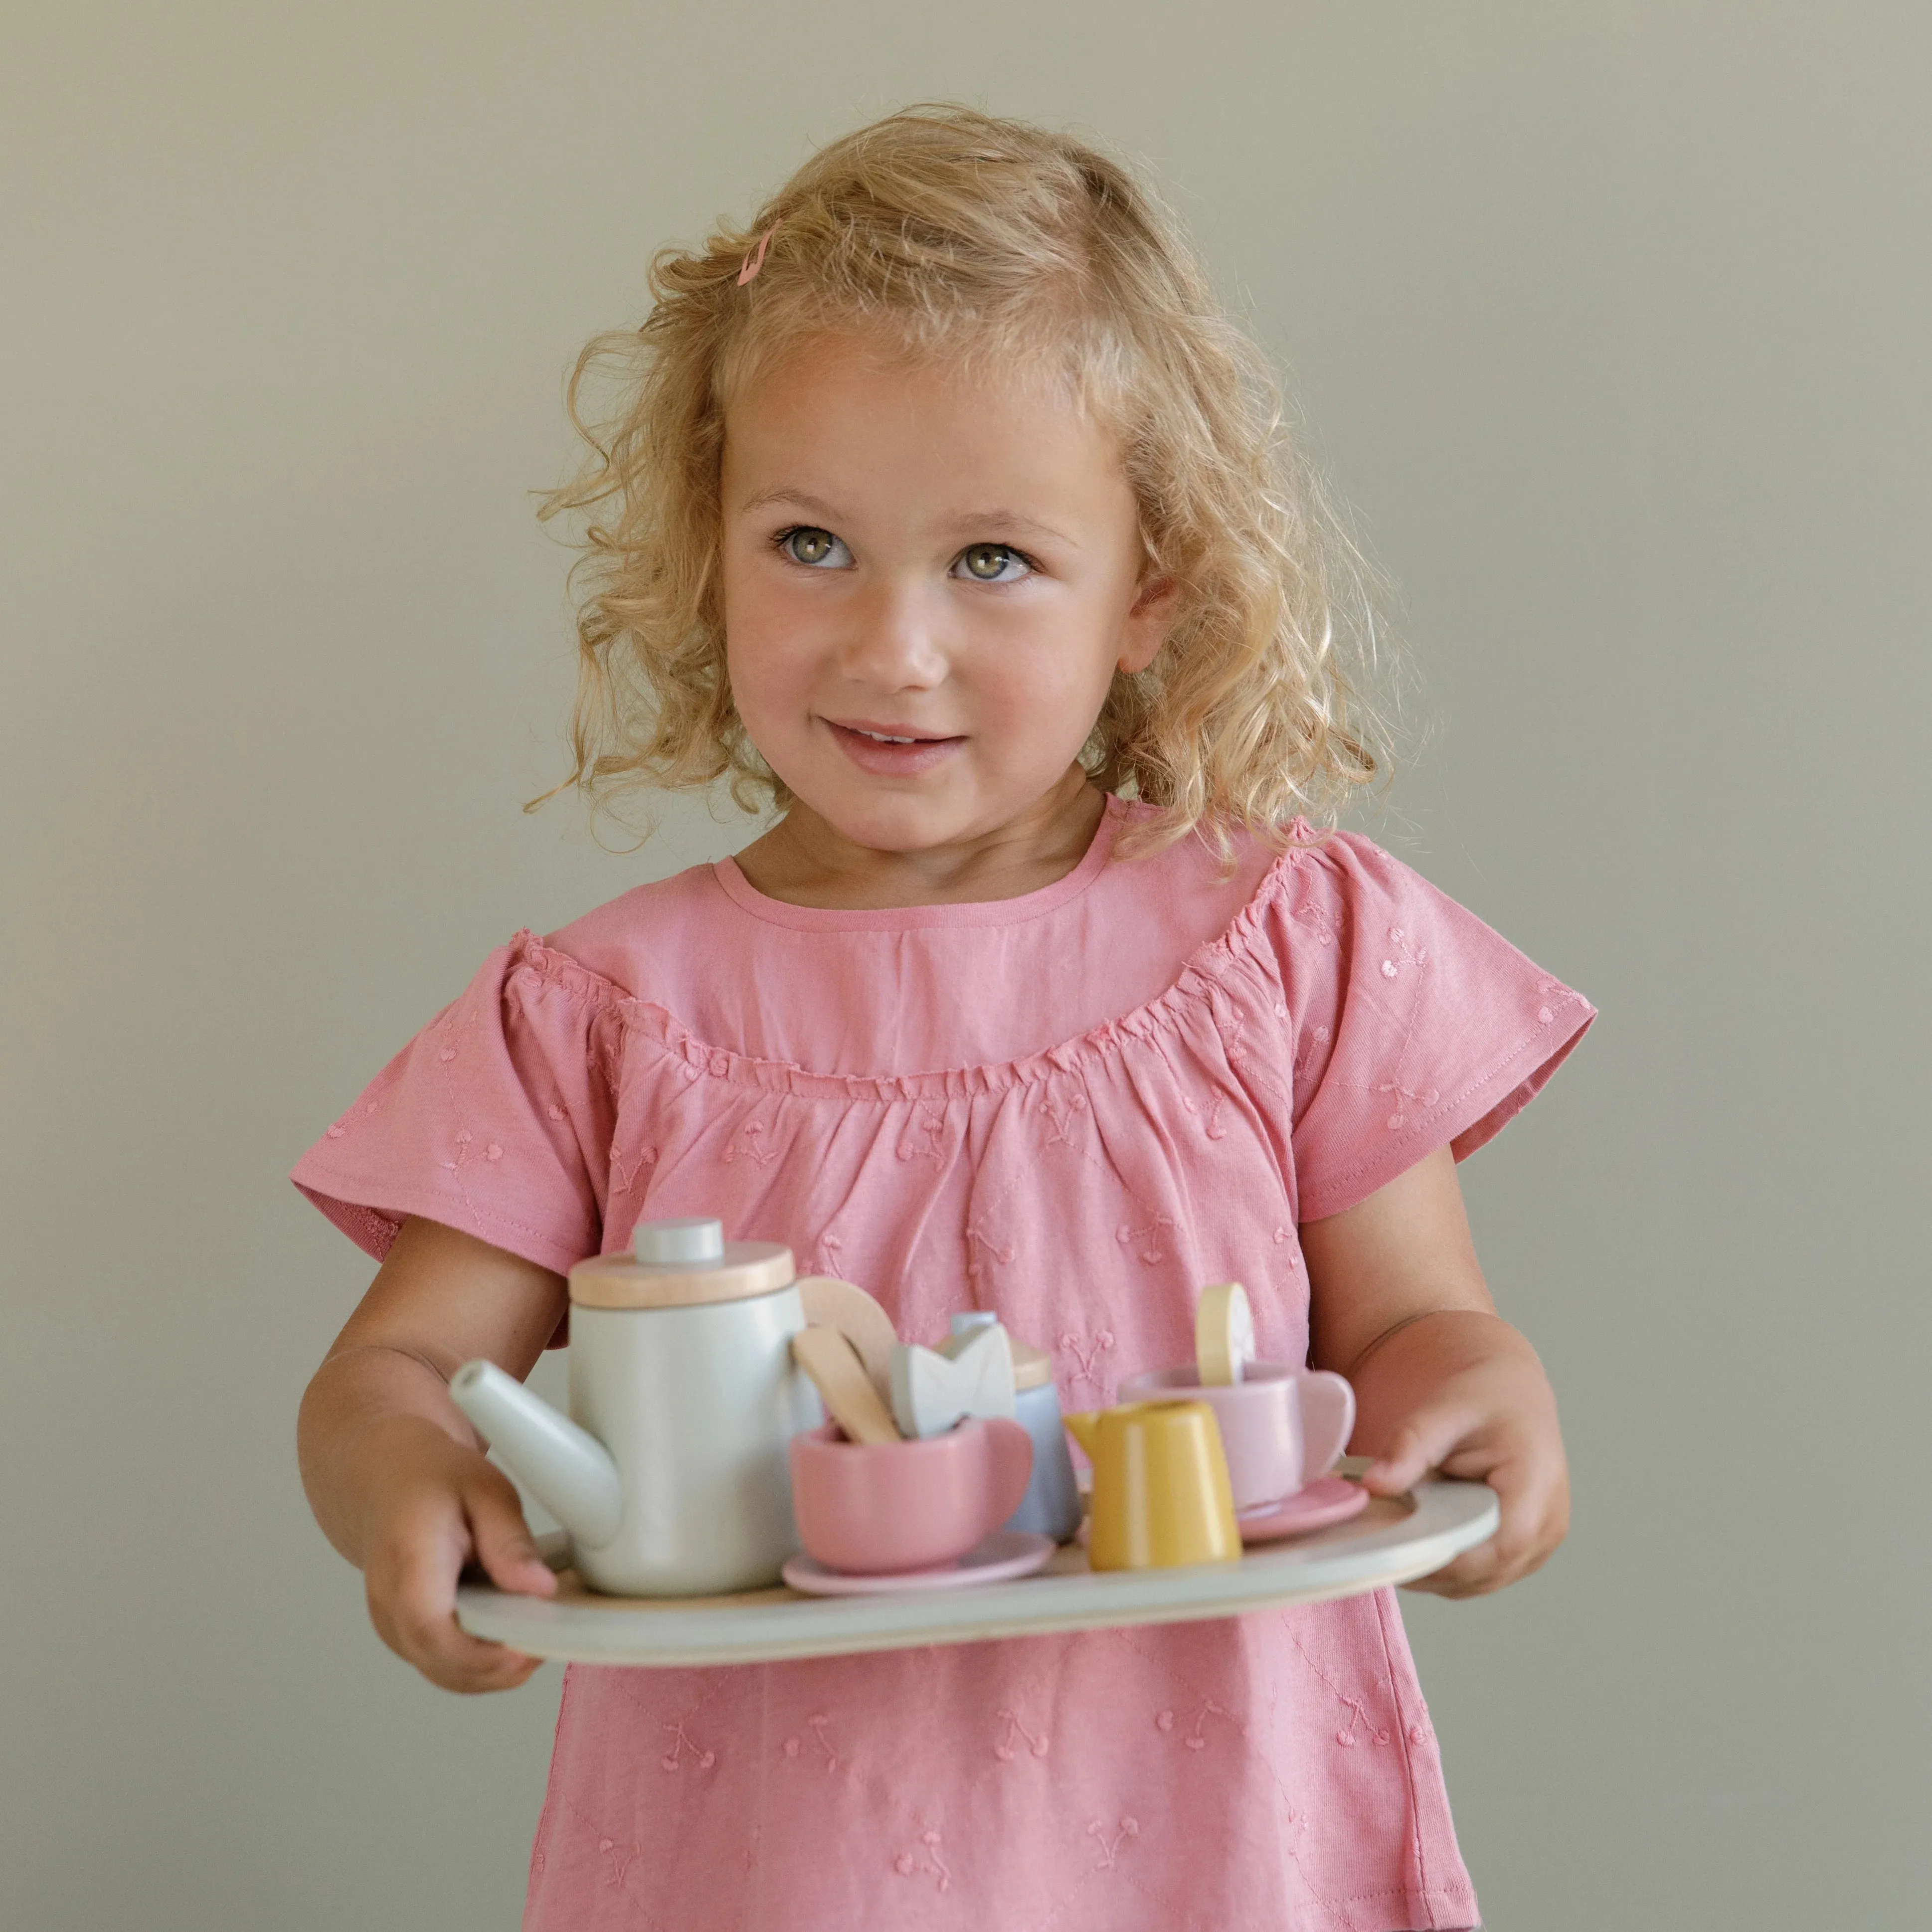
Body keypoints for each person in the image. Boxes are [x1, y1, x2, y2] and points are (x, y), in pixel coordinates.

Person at [294, 105, 1591, 1932]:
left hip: (1223, 1846)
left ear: (1149, 589)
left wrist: (1480, 1395)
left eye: (992, 561)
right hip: (764, 1867)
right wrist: (409, 1480)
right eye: (811, 542)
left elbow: (1420, 1323)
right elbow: (388, 1375)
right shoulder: (604, 1013)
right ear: (708, 543)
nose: (891, 646)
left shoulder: (1281, 940)